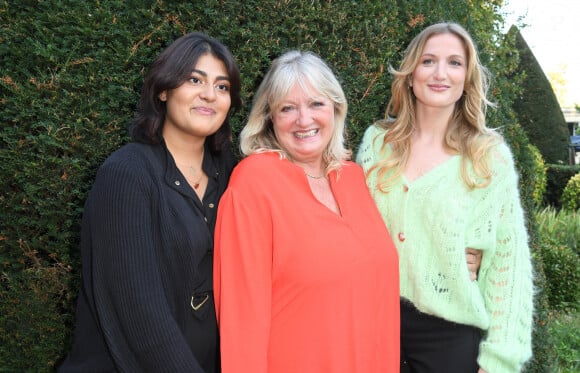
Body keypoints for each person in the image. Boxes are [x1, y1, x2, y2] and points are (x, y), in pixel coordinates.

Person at [58, 32, 241, 372]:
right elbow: (138, 312)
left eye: (222, 86)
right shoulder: (127, 174)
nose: (209, 95)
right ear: (163, 89)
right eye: (194, 79)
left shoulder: (231, 173)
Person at [357, 22, 534, 373]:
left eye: (454, 62)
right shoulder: (377, 144)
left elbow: (508, 265)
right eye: (428, 61)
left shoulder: (488, 157)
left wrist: (499, 362)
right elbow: (354, 229)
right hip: (372, 326)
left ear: (467, 78)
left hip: (449, 341)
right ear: (410, 74)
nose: (440, 73)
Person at [213, 50, 400, 373]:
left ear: (335, 108)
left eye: (316, 104)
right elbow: (241, 315)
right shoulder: (254, 181)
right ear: (270, 117)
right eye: (287, 108)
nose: (304, 120)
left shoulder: (352, 176)